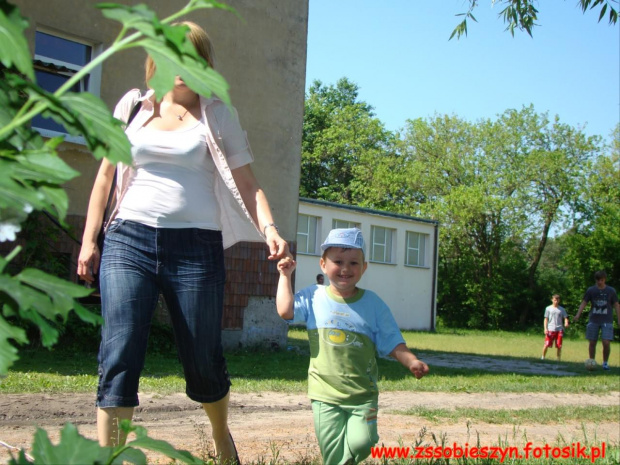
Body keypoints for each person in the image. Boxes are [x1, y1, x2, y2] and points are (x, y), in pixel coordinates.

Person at [77, 21, 289, 462]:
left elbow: (249, 183)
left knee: (203, 357)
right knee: (119, 349)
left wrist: (269, 228)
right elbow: (103, 178)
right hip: (127, 240)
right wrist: (89, 240)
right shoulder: (133, 107)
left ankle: (219, 436)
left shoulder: (218, 114)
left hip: (196, 247)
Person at [276, 228, 429, 464]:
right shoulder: (314, 297)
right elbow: (285, 310)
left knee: (363, 442)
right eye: (338, 261)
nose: (346, 269)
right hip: (324, 393)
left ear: (364, 267)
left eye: (353, 263)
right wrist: (285, 276)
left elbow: (392, 340)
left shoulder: (373, 304)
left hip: (362, 394)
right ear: (323, 264)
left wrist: (411, 361)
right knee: (333, 453)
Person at [573, 271, 620, 371]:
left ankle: (605, 363)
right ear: (596, 280)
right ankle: (592, 362)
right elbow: (584, 302)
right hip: (594, 319)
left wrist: (619, 319)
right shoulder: (591, 290)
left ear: (604, 280)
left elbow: (616, 305)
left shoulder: (611, 291)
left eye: (602, 280)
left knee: (606, 342)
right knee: (592, 342)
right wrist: (578, 314)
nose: (600, 282)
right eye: (598, 280)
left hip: (607, 320)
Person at [541, 294, 569, 361]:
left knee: (559, 345)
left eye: (557, 300)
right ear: (552, 300)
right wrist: (545, 328)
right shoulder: (548, 308)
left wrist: (566, 322)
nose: (556, 301)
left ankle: (558, 359)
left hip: (559, 329)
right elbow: (546, 319)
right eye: (555, 300)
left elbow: (565, 317)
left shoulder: (562, 309)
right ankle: (543, 357)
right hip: (550, 328)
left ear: (559, 300)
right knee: (546, 344)